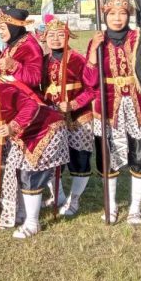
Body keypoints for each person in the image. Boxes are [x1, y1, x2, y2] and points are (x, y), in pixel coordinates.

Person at [0, 65, 69, 238]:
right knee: (15, 172)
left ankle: (32, 223)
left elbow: (30, 105)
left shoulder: (0, 90)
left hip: (45, 129)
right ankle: (21, 212)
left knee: (29, 174)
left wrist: (11, 126)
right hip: (22, 137)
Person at [83, 0, 141, 225]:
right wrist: (94, 54)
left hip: (140, 103)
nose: (117, 18)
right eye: (112, 13)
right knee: (107, 155)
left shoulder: (140, 38)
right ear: (105, 15)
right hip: (107, 106)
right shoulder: (97, 40)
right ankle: (112, 205)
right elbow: (89, 80)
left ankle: (135, 208)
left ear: (129, 16)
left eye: (123, 13)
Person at [40, 16, 95, 216]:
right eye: (51, 35)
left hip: (79, 117)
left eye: (60, 35)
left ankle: (74, 200)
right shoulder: (43, 61)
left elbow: (91, 89)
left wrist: (73, 104)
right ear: (45, 37)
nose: (55, 39)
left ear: (68, 36)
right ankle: (59, 196)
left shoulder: (78, 59)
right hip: (52, 118)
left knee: (79, 158)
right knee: (51, 158)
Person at [0, 6, 44, 95]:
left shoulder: (29, 45)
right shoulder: (12, 43)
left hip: (26, 98)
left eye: (3, 28)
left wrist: (13, 66)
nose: (0, 32)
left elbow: (35, 78)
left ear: (13, 28)